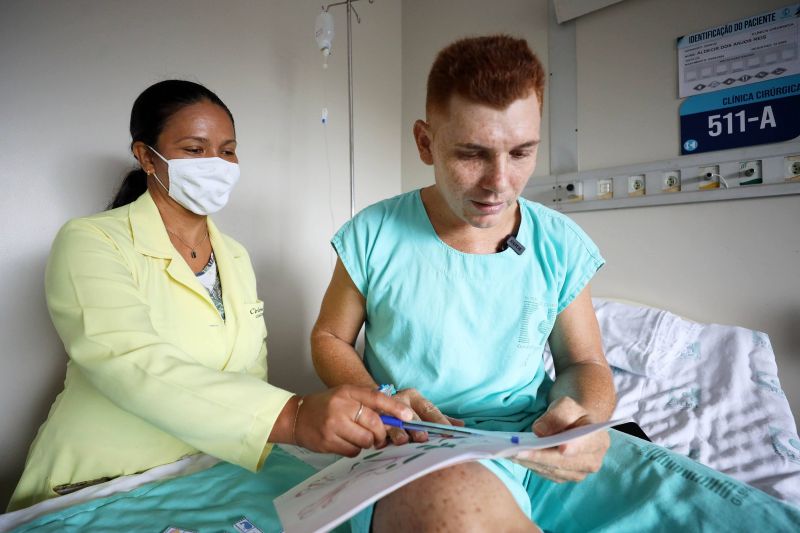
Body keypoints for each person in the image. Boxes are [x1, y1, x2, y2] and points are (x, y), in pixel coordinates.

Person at [310, 36, 800, 531]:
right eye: (472, 154)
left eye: (521, 152)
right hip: (417, 443)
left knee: (733, 516)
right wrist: (378, 398)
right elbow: (329, 338)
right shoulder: (372, 235)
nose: (499, 182)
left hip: (535, 443)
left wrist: (581, 418)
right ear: (424, 142)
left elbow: (583, 362)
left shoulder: (560, 244)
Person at [7, 80, 412, 512]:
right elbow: (130, 362)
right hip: (103, 484)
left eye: (228, 150)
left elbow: (245, 380)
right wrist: (294, 416)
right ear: (146, 156)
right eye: (195, 150)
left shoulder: (234, 257)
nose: (216, 164)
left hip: (209, 472)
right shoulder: (91, 241)